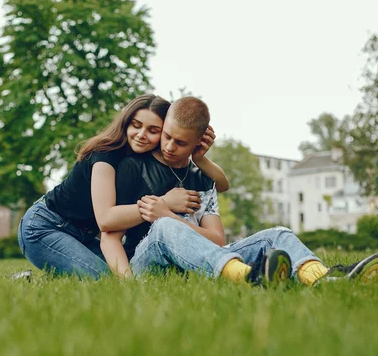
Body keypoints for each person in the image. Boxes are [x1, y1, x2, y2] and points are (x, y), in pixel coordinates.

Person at [102, 96, 378, 286]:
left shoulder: (201, 178)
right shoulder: (132, 167)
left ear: (198, 144)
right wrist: (164, 218)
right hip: (148, 263)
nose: (168, 146)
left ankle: (324, 280)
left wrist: (168, 213)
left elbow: (217, 239)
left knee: (277, 234)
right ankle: (248, 278)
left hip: (203, 257)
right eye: (166, 136)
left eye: (180, 143)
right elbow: (112, 231)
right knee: (164, 227)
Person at [17, 94, 229, 279]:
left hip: (85, 235)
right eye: (136, 125)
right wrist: (164, 203)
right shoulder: (106, 155)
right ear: (126, 122)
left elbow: (220, 186)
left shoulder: (146, 158)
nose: (141, 134)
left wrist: (199, 158)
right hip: (45, 226)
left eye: (153, 130)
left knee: (117, 269)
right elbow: (106, 219)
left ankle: (31, 279)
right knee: (104, 278)